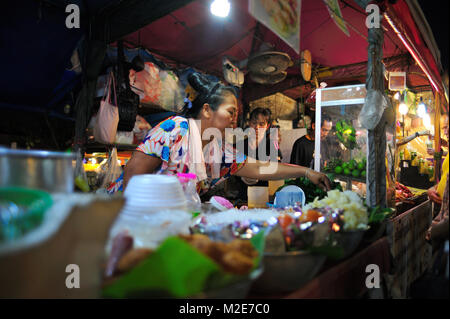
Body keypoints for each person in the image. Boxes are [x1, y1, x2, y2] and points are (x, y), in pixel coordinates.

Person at [107, 73, 331, 196]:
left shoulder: (218, 149)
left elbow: (261, 167)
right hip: (123, 215)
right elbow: (132, 177)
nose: (235, 120)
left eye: (236, 114)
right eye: (230, 112)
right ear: (206, 110)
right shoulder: (176, 128)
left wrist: (306, 172)